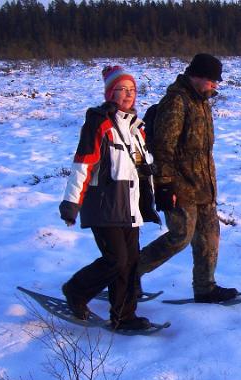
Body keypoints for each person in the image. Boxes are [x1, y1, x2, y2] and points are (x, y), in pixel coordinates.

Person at [59, 65, 160, 330]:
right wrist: (71, 203)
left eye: (132, 90)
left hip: (130, 206)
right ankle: (76, 291)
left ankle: (124, 317)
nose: (128, 95)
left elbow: (141, 166)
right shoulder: (99, 123)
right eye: (121, 90)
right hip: (105, 205)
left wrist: (156, 190)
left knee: (130, 263)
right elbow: (83, 163)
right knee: (116, 260)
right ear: (109, 93)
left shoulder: (137, 129)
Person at [137, 53, 238, 303]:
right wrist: (165, 184)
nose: (216, 85)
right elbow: (163, 148)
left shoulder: (201, 102)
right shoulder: (176, 102)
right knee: (179, 236)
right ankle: (128, 274)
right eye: (212, 80)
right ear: (197, 76)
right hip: (179, 185)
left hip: (204, 185)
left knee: (210, 236)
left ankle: (205, 288)